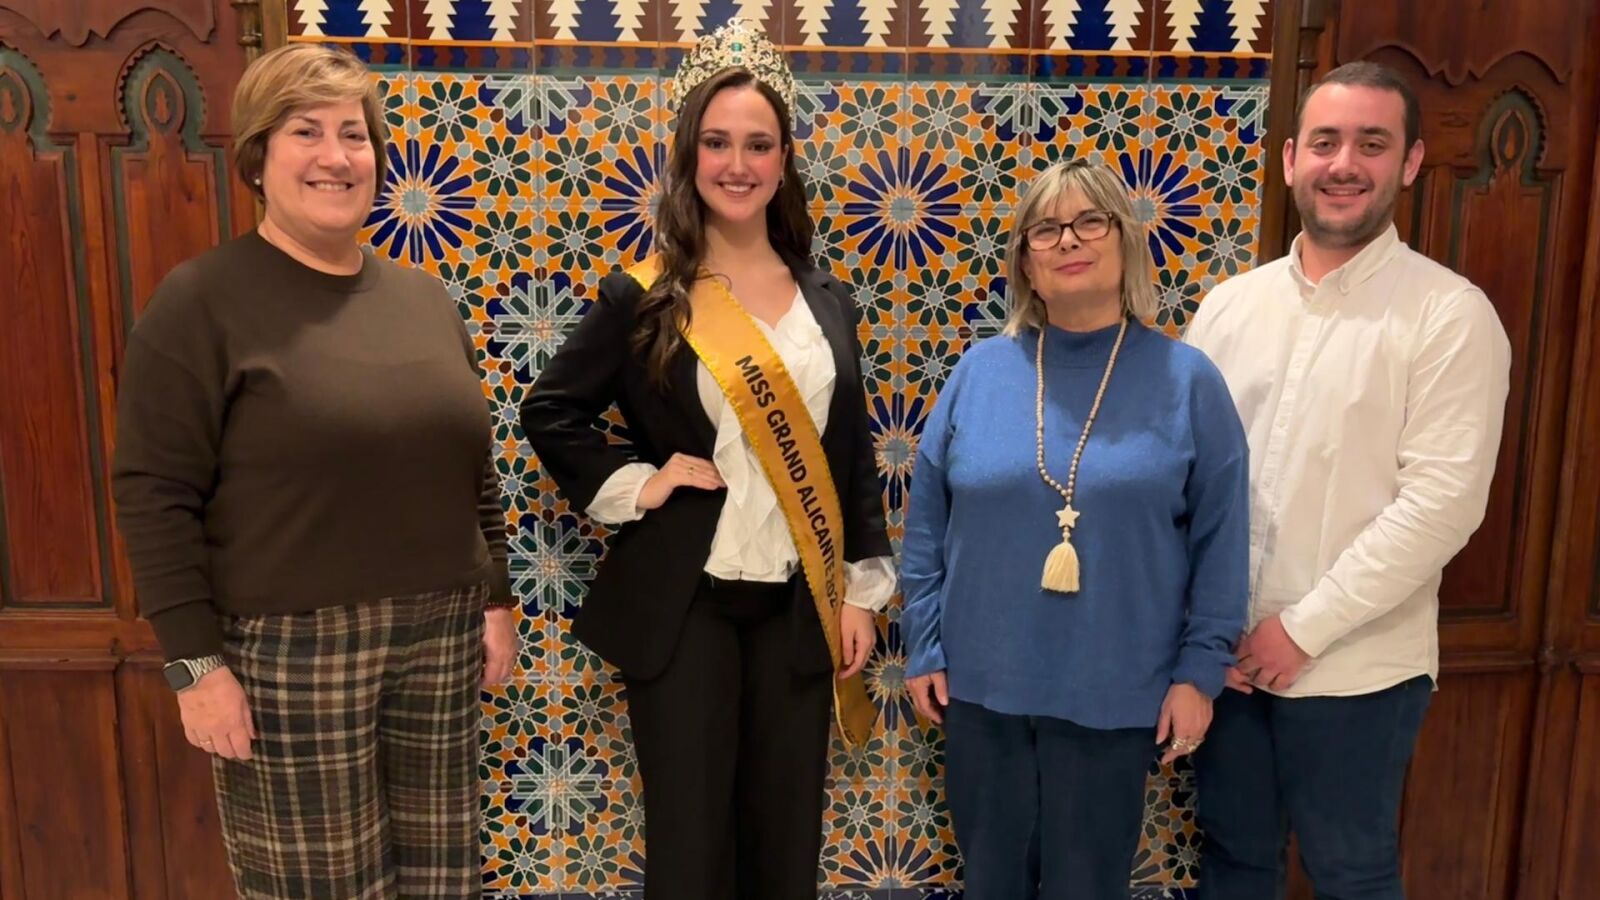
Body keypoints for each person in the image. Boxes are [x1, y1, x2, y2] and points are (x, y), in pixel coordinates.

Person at [111, 43, 518, 899]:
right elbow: (154, 496)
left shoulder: (423, 299)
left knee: (444, 885)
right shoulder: (200, 302)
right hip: (290, 655)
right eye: (306, 131)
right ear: (258, 156)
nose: (336, 156)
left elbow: (470, 466)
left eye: (353, 134)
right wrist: (194, 666)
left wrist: (496, 599)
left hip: (440, 638)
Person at [519, 19, 893, 900]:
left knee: (786, 842)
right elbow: (551, 410)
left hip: (799, 606)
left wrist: (861, 592)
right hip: (686, 607)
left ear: (784, 159)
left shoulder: (828, 302)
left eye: (758, 144)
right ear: (690, 154)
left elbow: (848, 456)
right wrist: (639, 484)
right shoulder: (646, 295)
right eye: (717, 142)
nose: (737, 163)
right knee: (690, 852)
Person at [1184, 61, 1512, 900]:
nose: (1344, 164)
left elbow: (1441, 506)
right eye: (1326, 142)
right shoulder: (1229, 307)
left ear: (1410, 163)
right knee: (1233, 865)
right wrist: (1203, 633)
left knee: (1350, 875)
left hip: (1355, 671)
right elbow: (1184, 482)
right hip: (1227, 666)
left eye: (1372, 144)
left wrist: (1301, 631)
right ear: (1291, 157)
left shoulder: (1449, 315)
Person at [900, 157, 1250, 900]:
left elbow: (1222, 540)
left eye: (1090, 221)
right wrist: (924, 645)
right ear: (1025, 261)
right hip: (981, 694)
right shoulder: (978, 373)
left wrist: (1199, 672)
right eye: (1046, 229)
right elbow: (927, 523)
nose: (1068, 240)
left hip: (1115, 693)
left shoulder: (1188, 380)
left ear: (1126, 239)